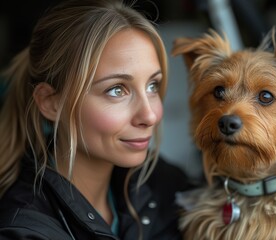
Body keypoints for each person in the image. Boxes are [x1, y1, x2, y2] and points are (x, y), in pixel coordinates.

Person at [0, 0, 191, 239]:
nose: (150, 115)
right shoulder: (26, 231)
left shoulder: (163, 184)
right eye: (117, 90)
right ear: (50, 102)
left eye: (153, 85)